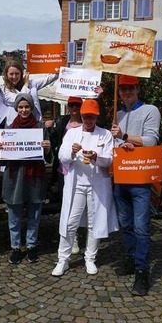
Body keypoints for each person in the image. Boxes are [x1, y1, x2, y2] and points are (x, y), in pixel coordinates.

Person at [51, 99, 118, 276]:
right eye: (86, 116)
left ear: (96, 117)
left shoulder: (105, 134)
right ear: (81, 115)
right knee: (70, 222)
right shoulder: (72, 133)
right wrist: (72, 152)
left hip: (97, 185)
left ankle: (90, 258)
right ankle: (63, 259)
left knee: (93, 222)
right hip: (77, 184)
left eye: (92, 117)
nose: (89, 120)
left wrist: (97, 157)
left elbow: (110, 159)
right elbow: (62, 156)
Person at [110, 74, 161, 296]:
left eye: (130, 88)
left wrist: (126, 136)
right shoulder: (118, 114)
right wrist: (120, 142)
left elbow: (151, 140)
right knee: (126, 223)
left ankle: (142, 271)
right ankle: (130, 258)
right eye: (123, 89)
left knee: (141, 227)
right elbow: (114, 142)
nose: (126, 93)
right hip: (121, 176)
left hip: (140, 177)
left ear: (137, 89)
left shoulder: (151, 110)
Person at [0, 94, 51, 264]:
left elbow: (48, 156)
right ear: (16, 109)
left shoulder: (40, 128)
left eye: (27, 107)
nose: (24, 110)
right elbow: (2, 160)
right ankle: (16, 247)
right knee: (14, 215)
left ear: (31, 108)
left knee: (34, 214)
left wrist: (47, 148)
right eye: (20, 107)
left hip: (35, 178)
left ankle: (32, 246)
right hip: (15, 178)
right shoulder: (9, 130)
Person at [0, 59, 58, 125]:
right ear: (6, 75)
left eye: (17, 74)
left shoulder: (32, 84)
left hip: (34, 124)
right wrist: (25, 85)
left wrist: (61, 62)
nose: (14, 76)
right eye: (11, 74)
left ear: (21, 73)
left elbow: (49, 78)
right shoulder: (4, 90)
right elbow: (20, 99)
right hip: (14, 127)